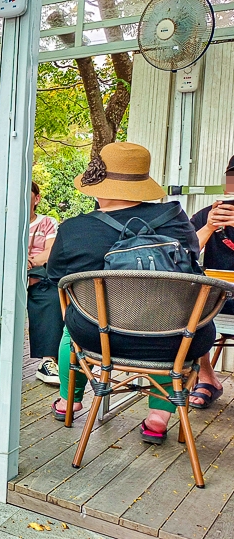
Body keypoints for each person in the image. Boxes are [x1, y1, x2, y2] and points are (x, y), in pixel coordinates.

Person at [46, 142, 216, 444]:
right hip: (178, 340)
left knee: (70, 324)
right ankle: (158, 418)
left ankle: (69, 401)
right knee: (168, 318)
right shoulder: (177, 218)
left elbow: (57, 278)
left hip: (98, 338)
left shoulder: (75, 229)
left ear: (98, 185)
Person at [0, 182, 62, 384]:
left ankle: (48, 360)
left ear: (37, 199)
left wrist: (29, 262)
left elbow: (51, 251)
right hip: (10, 273)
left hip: (38, 273)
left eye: (27, 195)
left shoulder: (48, 222)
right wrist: (14, 259)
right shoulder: (3, 221)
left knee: (51, 297)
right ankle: (0, 357)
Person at [186, 154, 234, 409]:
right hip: (217, 298)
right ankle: (207, 377)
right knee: (189, 306)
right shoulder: (209, 214)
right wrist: (207, 228)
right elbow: (181, 256)